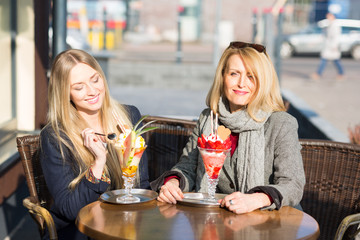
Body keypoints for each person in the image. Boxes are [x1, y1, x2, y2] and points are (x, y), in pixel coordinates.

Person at [151, 41, 306, 214]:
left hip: (268, 223)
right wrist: (172, 183)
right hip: (214, 219)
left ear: (263, 82)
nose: (241, 83)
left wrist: (256, 199)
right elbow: (187, 166)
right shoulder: (208, 118)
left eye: (251, 76)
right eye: (234, 73)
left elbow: (293, 184)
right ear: (223, 76)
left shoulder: (281, 123)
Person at [40, 49, 150, 239]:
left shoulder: (128, 116)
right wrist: (98, 163)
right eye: (79, 87)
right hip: (80, 230)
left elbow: (142, 184)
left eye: (95, 79)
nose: (92, 91)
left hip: (124, 223)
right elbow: (69, 209)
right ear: (65, 93)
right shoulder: (55, 136)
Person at [311, 12, 345, 80]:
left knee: (330, 60)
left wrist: (334, 46)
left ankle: (319, 73)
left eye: (329, 16)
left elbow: (335, 37)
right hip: (328, 46)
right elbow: (324, 35)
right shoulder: (329, 25)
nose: (328, 18)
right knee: (332, 60)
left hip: (332, 47)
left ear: (333, 17)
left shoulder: (335, 25)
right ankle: (341, 73)